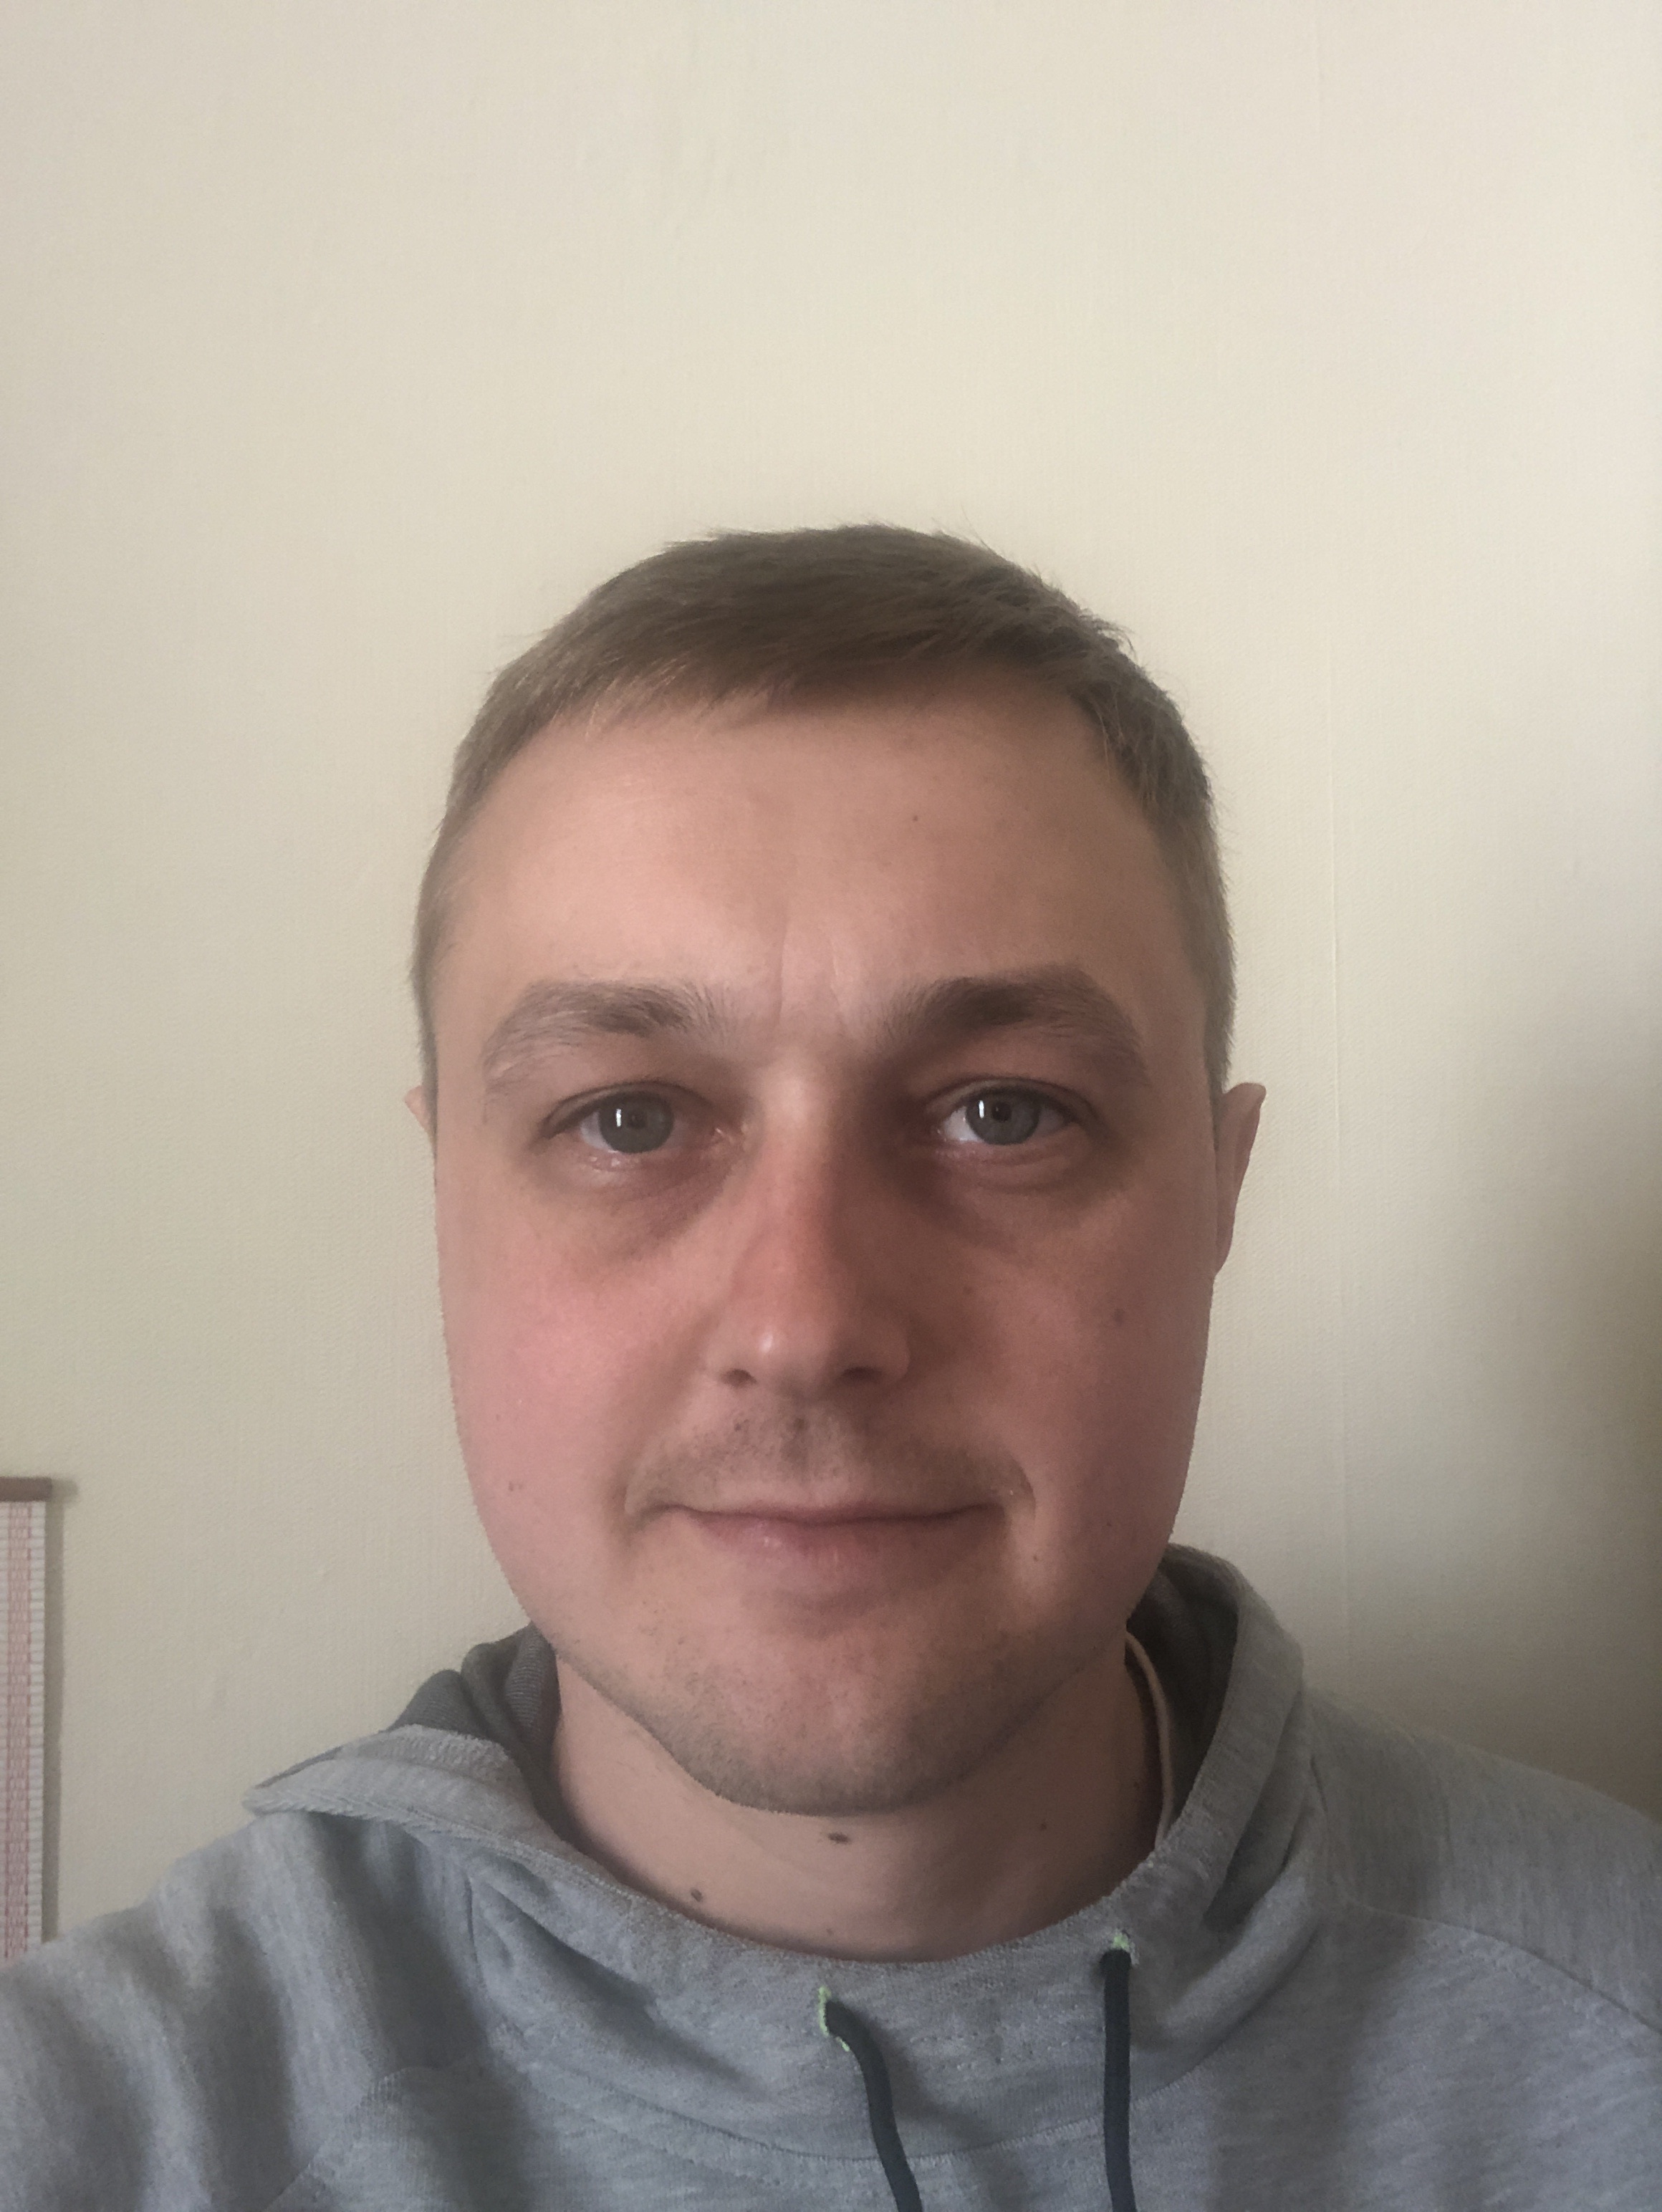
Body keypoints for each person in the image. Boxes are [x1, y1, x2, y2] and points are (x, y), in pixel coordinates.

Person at [1, 526, 1656, 2211]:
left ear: (1214, 1196)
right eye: (626, 1118)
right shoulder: (93, 2130)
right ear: (447, 1203)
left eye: (1001, 1110)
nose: (801, 1323)